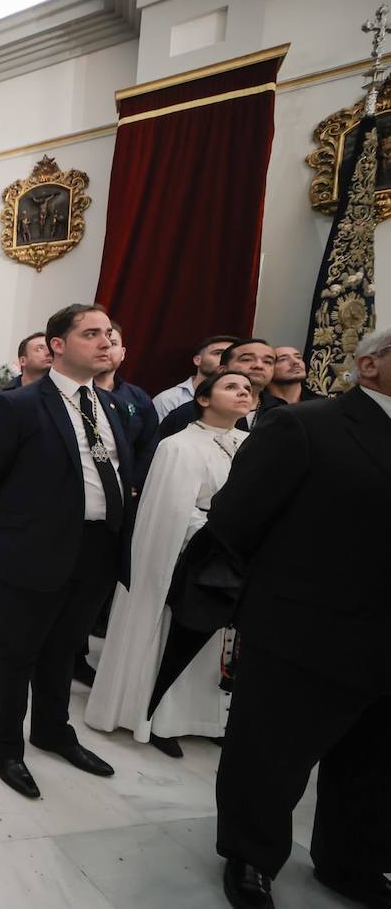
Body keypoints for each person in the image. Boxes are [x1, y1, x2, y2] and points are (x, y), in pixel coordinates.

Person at [207, 327, 391, 909]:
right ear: (369, 365)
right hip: (305, 626)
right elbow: (234, 519)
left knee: (373, 761)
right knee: (271, 753)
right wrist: (289, 588)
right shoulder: (307, 425)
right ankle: (251, 857)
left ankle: (351, 862)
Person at [0, 303, 134, 800]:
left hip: (96, 547)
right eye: (91, 334)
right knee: (15, 651)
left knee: (65, 646)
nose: (105, 342)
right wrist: (29, 526)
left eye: (108, 333)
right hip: (34, 548)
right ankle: (5, 745)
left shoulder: (108, 405)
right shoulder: (19, 405)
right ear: (58, 345)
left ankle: (52, 730)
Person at [84, 372, 254, 758]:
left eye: (247, 388)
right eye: (231, 386)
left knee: (218, 642)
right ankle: (159, 717)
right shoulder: (179, 446)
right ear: (203, 399)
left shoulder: (250, 444)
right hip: (188, 554)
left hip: (233, 553)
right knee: (171, 632)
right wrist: (215, 532)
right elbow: (170, 509)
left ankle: (206, 720)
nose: (243, 392)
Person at [0, 331, 50, 645]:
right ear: (22, 360)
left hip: (43, 503)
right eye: (39, 348)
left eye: (49, 346)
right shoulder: (1, 399)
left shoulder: (58, 398)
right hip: (5, 497)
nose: (46, 351)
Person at [158, 338, 284, 439]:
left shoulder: (281, 411)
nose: (258, 365)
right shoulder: (191, 412)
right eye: (247, 359)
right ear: (223, 370)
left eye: (268, 362)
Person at [94, 322, 159, 486]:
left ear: (123, 353)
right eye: (100, 343)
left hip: (124, 486)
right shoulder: (71, 392)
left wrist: (133, 482)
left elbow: (148, 447)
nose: (106, 348)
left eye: (112, 343)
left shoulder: (138, 398)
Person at [152, 334, 239, 421]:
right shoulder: (169, 399)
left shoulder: (243, 400)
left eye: (231, 356)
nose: (225, 359)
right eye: (218, 353)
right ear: (198, 360)